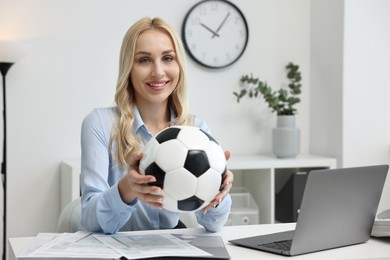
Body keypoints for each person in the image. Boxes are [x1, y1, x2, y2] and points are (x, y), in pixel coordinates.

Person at [80, 17, 233, 234]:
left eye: (168, 58)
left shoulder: (196, 129)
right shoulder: (100, 124)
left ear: (179, 65)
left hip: (171, 247)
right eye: (144, 60)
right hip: (116, 247)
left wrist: (219, 190)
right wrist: (126, 189)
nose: (158, 71)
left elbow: (214, 224)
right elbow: (89, 219)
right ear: (129, 68)